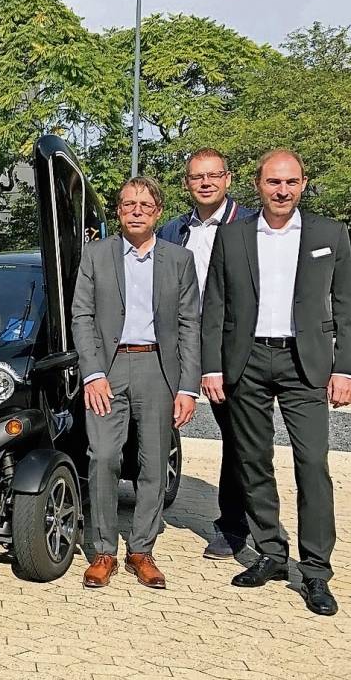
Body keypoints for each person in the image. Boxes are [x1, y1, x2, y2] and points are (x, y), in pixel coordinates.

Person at [201, 149, 351, 617]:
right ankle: (270, 550)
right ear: (258, 185)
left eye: (290, 182)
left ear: (303, 184)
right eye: (272, 182)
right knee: (252, 460)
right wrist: (211, 367)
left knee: (312, 464)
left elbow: (346, 306)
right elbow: (215, 307)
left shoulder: (330, 234)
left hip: (305, 363)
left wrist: (344, 369)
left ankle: (316, 571)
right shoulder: (234, 236)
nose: (282, 190)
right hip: (247, 361)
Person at [71, 176, 200, 591]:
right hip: (108, 370)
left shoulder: (179, 260)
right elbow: (82, 317)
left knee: (153, 462)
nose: (137, 210)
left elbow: (189, 326)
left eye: (145, 204)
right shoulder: (96, 255)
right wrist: (92, 374)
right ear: (119, 211)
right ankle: (104, 550)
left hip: (158, 371)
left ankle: (142, 549)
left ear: (158, 211)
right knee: (104, 456)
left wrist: (187, 387)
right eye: (129, 204)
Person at [156, 148, 257, 560]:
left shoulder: (251, 225)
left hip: (229, 348)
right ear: (187, 183)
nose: (206, 183)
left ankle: (233, 526)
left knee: (238, 438)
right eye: (197, 177)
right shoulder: (172, 231)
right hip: (178, 345)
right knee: (151, 426)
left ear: (228, 179)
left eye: (214, 175)